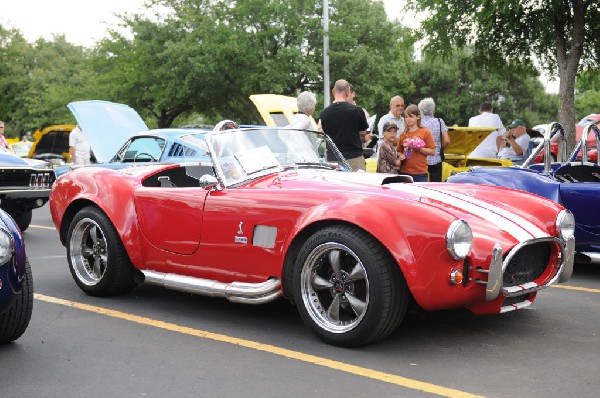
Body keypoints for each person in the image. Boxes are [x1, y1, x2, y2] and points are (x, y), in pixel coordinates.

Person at [319, 79, 370, 171]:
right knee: (358, 184)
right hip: (354, 158)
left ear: (333, 91)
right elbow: (363, 135)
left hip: (333, 160)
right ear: (347, 92)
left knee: (336, 185)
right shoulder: (357, 111)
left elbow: (324, 134)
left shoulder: (324, 113)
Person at [396, 104, 435, 182]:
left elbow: (433, 151)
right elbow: (398, 151)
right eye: (406, 117)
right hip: (404, 172)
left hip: (420, 172)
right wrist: (401, 155)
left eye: (411, 116)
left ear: (418, 117)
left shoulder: (425, 132)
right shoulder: (403, 134)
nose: (408, 119)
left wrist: (419, 149)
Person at [419, 98, 450, 182]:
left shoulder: (419, 123)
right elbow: (447, 140)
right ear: (433, 109)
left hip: (422, 158)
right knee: (435, 185)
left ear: (420, 110)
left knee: (422, 184)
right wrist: (441, 148)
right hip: (436, 158)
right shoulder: (440, 121)